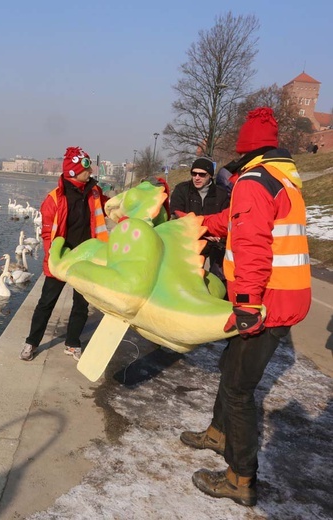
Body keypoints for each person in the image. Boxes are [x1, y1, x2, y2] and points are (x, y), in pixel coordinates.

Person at [180, 107, 311, 506]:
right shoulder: (279, 181)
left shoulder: (254, 182)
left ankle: (240, 478)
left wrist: (248, 306)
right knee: (228, 366)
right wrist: (196, 223)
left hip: (266, 303)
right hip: (280, 297)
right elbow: (237, 223)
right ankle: (219, 433)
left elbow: (253, 247)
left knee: (239, 389)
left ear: (246, 149)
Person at [19, 146, 109, 362]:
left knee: (81, 303)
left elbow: (111, 209)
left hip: (87, 258)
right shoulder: (54, 198)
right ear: (73, 171)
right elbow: (48, 233)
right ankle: (31, 342)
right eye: (86, 167)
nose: (90, 171)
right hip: (63, 258)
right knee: (46, 302)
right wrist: (53, 259)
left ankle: (72, 343)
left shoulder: (95, 192)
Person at [169, 158, 230, 279]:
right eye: (194, 173)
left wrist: (220, 236)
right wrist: (204, 232)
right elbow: (176, 216)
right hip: (189, 240)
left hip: (216, 243)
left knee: (220, 275)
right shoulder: (182, 190)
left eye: (202, 174)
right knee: (188, 276)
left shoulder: (222, 194)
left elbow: (227, 219)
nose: (197, 177)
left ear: (210, 176)